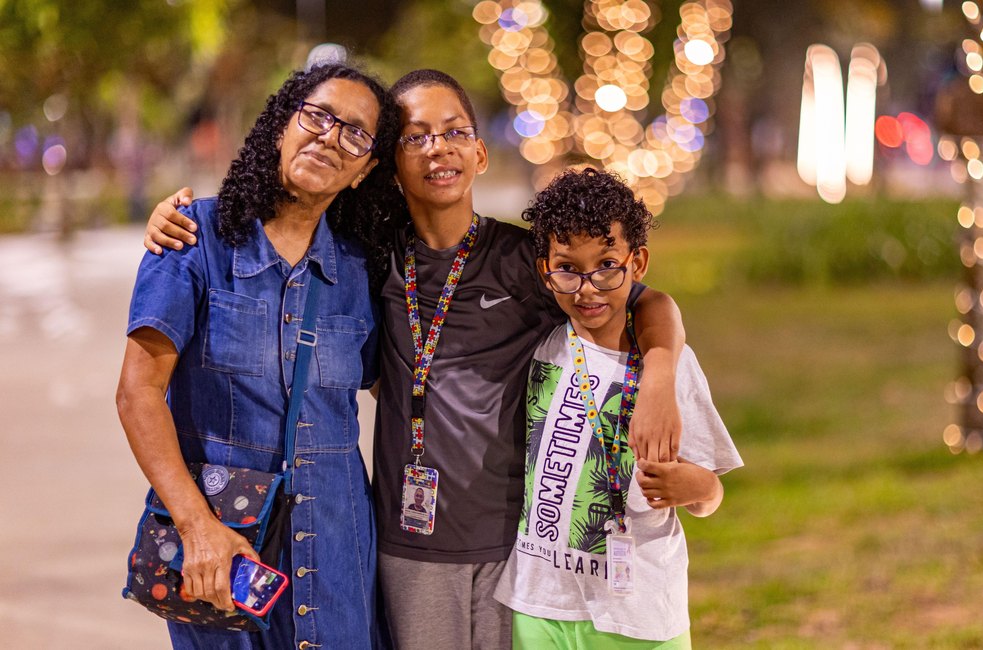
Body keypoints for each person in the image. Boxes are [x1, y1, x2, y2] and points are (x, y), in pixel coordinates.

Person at [142, 68, 686, 650]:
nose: (437, 149)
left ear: (479, 151)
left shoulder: (522, 261)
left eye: (453, 132)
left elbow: (643, 300)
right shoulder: (370, 260)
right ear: (389, 165)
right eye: (415, 136)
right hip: (406, 549)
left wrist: (659, 376)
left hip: (513, 545)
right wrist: (171, 219)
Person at [116, 62, 400, 649]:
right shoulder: (192, 239)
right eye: (318, 116)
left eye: (355, 133)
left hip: (337, 552)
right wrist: (196, 528)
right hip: (223, 548)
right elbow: (137, 393)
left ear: (364, 169)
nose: (330, 137)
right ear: (281, 126)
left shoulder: (361, 270)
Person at [493, 167, 743, 648]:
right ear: (545, 271)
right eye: (568, 268)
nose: (587, 288)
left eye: (606, 265)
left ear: (637, 261)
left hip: (637, 613)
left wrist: (697, 487)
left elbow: (709, 494)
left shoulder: (669, 366)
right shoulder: (543, 344)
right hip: (538, 602)